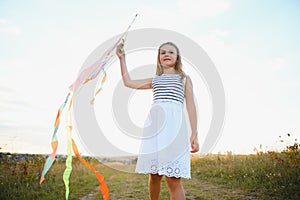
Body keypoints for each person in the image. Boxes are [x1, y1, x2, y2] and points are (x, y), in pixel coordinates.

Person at [116, 41, 199, 200]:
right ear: (159, 58)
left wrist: (194, 133)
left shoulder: (184, 79)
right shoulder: (155, 79)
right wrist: (122, 58)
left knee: (173, 180)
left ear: (177, 57)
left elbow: (191, 107)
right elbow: (128, 82)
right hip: (155, 129)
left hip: (174, 130)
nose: (166, 54)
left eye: (171, 52)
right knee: (154, 176)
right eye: (163, 53)